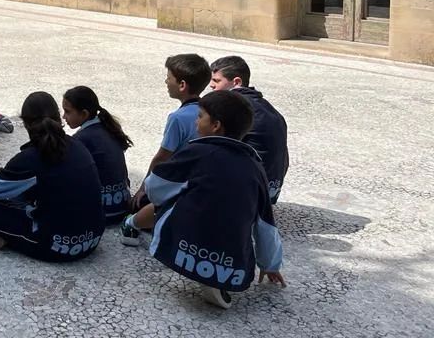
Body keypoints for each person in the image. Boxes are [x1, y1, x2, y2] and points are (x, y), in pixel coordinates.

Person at [119, 91, 286, 309]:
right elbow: (265, 224)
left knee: (172, 199)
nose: (196, 121)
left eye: (200, 116)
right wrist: (270, 263)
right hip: (231, 260)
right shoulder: (256, 167)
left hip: (182, 248)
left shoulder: (196, 151)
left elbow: (156, 189)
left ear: (215, 125)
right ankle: (216, 277)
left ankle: (130, 224)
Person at [0, 92, 104, 262]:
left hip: (57, 246)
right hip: (93, 238)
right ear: (58, 117)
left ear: (26, 123)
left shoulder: (31, 157)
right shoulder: (78, 145)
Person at [131, 53, 211, 209]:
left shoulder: (178, 118)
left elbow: (161, 158)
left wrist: (144, 188)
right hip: (203, 179)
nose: (166, 81)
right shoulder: (208, 110)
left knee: (139, 203)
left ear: (182, 85)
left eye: (169, 78)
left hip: (181, 182)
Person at [209, 56, 289, 203]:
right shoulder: (266, 106)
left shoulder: (234, 107)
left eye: (217, 81)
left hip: (250, 193)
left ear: (237, 82)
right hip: (272, 189)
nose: (211, 85)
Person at [62, 86, 133, 223]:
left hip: (103, 212)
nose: (64, 117)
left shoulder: (81, 139)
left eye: (67, 112)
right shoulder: (108, 128)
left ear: (84, 114)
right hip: (121, 206)